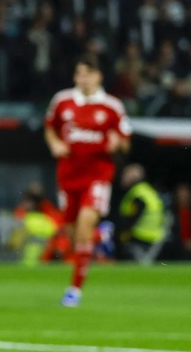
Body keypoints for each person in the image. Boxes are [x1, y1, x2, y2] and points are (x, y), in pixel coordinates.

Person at [44, 58, 131, 307]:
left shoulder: (112, 106)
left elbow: (126, 141)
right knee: (72, 237)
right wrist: (54, 143)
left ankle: (74, 291)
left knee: (83, 226)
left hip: (98, 176)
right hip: (68, 177)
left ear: (98, 77)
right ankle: (100, 237)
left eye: (88, 74)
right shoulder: (62, 101)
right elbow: (50, 127)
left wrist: (118, 143)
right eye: (79, 74)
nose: (83, 79)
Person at [116, 164, 166, 264]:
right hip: (155, 236)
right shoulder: (147, 190)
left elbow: (131, 219)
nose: (122, 177)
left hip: (140, 237)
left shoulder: (138, 194)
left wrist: (117, 230)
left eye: (126, 174)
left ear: (133, 176)